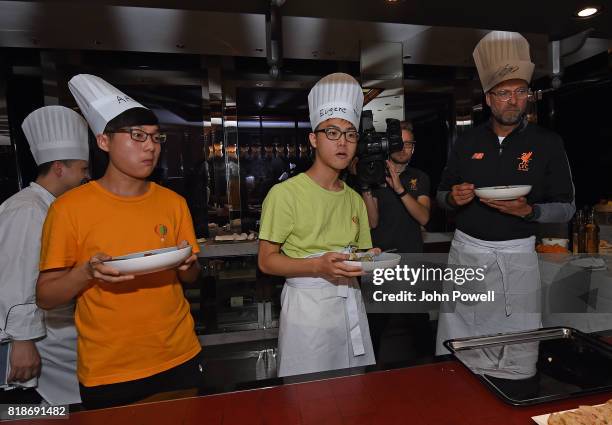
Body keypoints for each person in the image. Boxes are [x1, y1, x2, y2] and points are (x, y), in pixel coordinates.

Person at [36, 74, 203, 409]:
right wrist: (86, 273)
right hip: (108, 369)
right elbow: (45, 296)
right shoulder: (69, 209)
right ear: (104, 142)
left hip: (179, 354)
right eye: (137, 136)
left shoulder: (173, 202)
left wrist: (187, 264)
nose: (150, 146)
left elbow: (191, 278)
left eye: (156, 138)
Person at [435, 31, 575, 381]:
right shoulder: (467, 141)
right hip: (468, 256)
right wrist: (454, 198)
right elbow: (441, 195)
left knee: (517, 361)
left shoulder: (548, 142)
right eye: (504, 93)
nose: (513, 101)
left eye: (520, 92)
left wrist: (531, 212)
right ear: (488, 98)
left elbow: (567, 207)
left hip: (518, 258)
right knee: (461, 358)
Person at [258, 73, 379, 377]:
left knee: (354, 397)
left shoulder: (354, 200)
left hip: (350, 304)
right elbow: (267, 261)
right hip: (306, 312)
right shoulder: (285, 194)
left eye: (350, 134)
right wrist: (318, 267)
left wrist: (370, 260)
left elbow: (360, 255)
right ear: (313, 138)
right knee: (309, 402)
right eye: (332, 133)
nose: (343, 142)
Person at [0, 106, 89, 405]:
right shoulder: (27, 210)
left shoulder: (54, 208)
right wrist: (22, 342)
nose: (86, 178)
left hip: (56, 338)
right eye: (83, 169)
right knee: (32, 414)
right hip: (33, 342)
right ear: (59, 169)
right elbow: (14, 280)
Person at [361, 121, 432, 359]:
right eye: (398, 143)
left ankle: (430, 377)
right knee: (374, 328)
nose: (403, 148)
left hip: (411, 262)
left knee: (419, 327)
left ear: (414, 147)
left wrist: (400, 189)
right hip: (379, 263)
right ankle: (370, 381)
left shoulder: (419, 178)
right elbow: (372, 222)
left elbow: (423, 216)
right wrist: (366, 186)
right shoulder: (375, 174)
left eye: (408, 143)